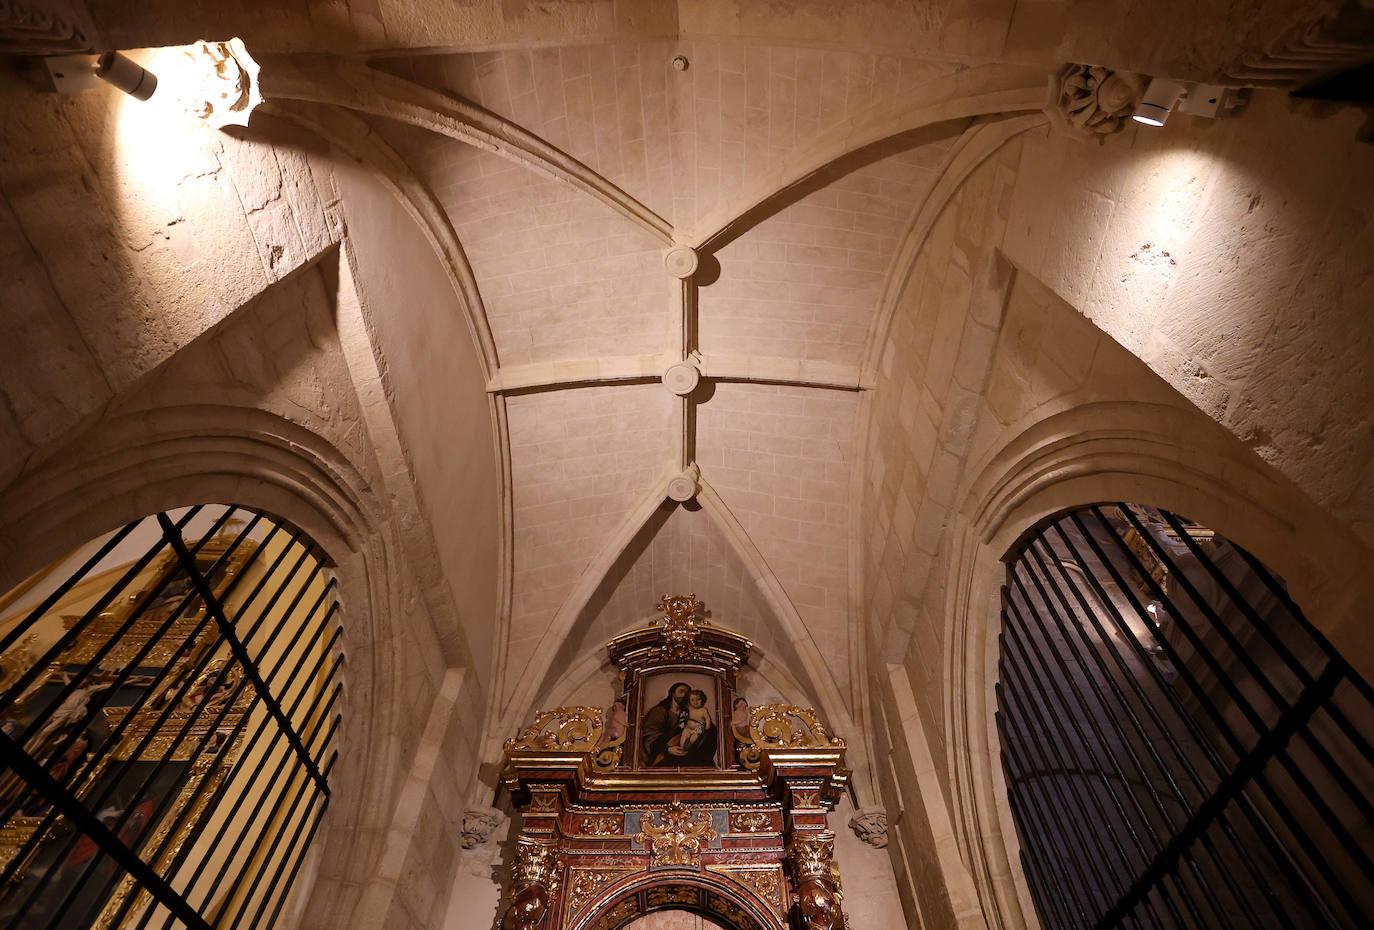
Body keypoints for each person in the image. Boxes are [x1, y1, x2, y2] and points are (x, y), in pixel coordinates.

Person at [640, 682, 691, 766]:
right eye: (681, 691)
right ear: (673, 693)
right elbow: (650, 735)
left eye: (687, 693)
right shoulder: (659, 711)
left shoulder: (686, 712)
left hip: (680, 749)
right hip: (660, 751)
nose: (684, 695)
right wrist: (668, 749)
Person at [669, 690, 713, 754]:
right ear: (689, 701)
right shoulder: (689, 708)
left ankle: (689, 750)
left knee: (693, 739)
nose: (695, 702)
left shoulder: (703, 710)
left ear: (703, 700)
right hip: (688, 728)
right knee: (684, 737)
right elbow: (683, 715)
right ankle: (682, 749)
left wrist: (707, 726)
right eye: (692, 700)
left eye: (698, 699)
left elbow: (707, 719)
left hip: (698, 728)